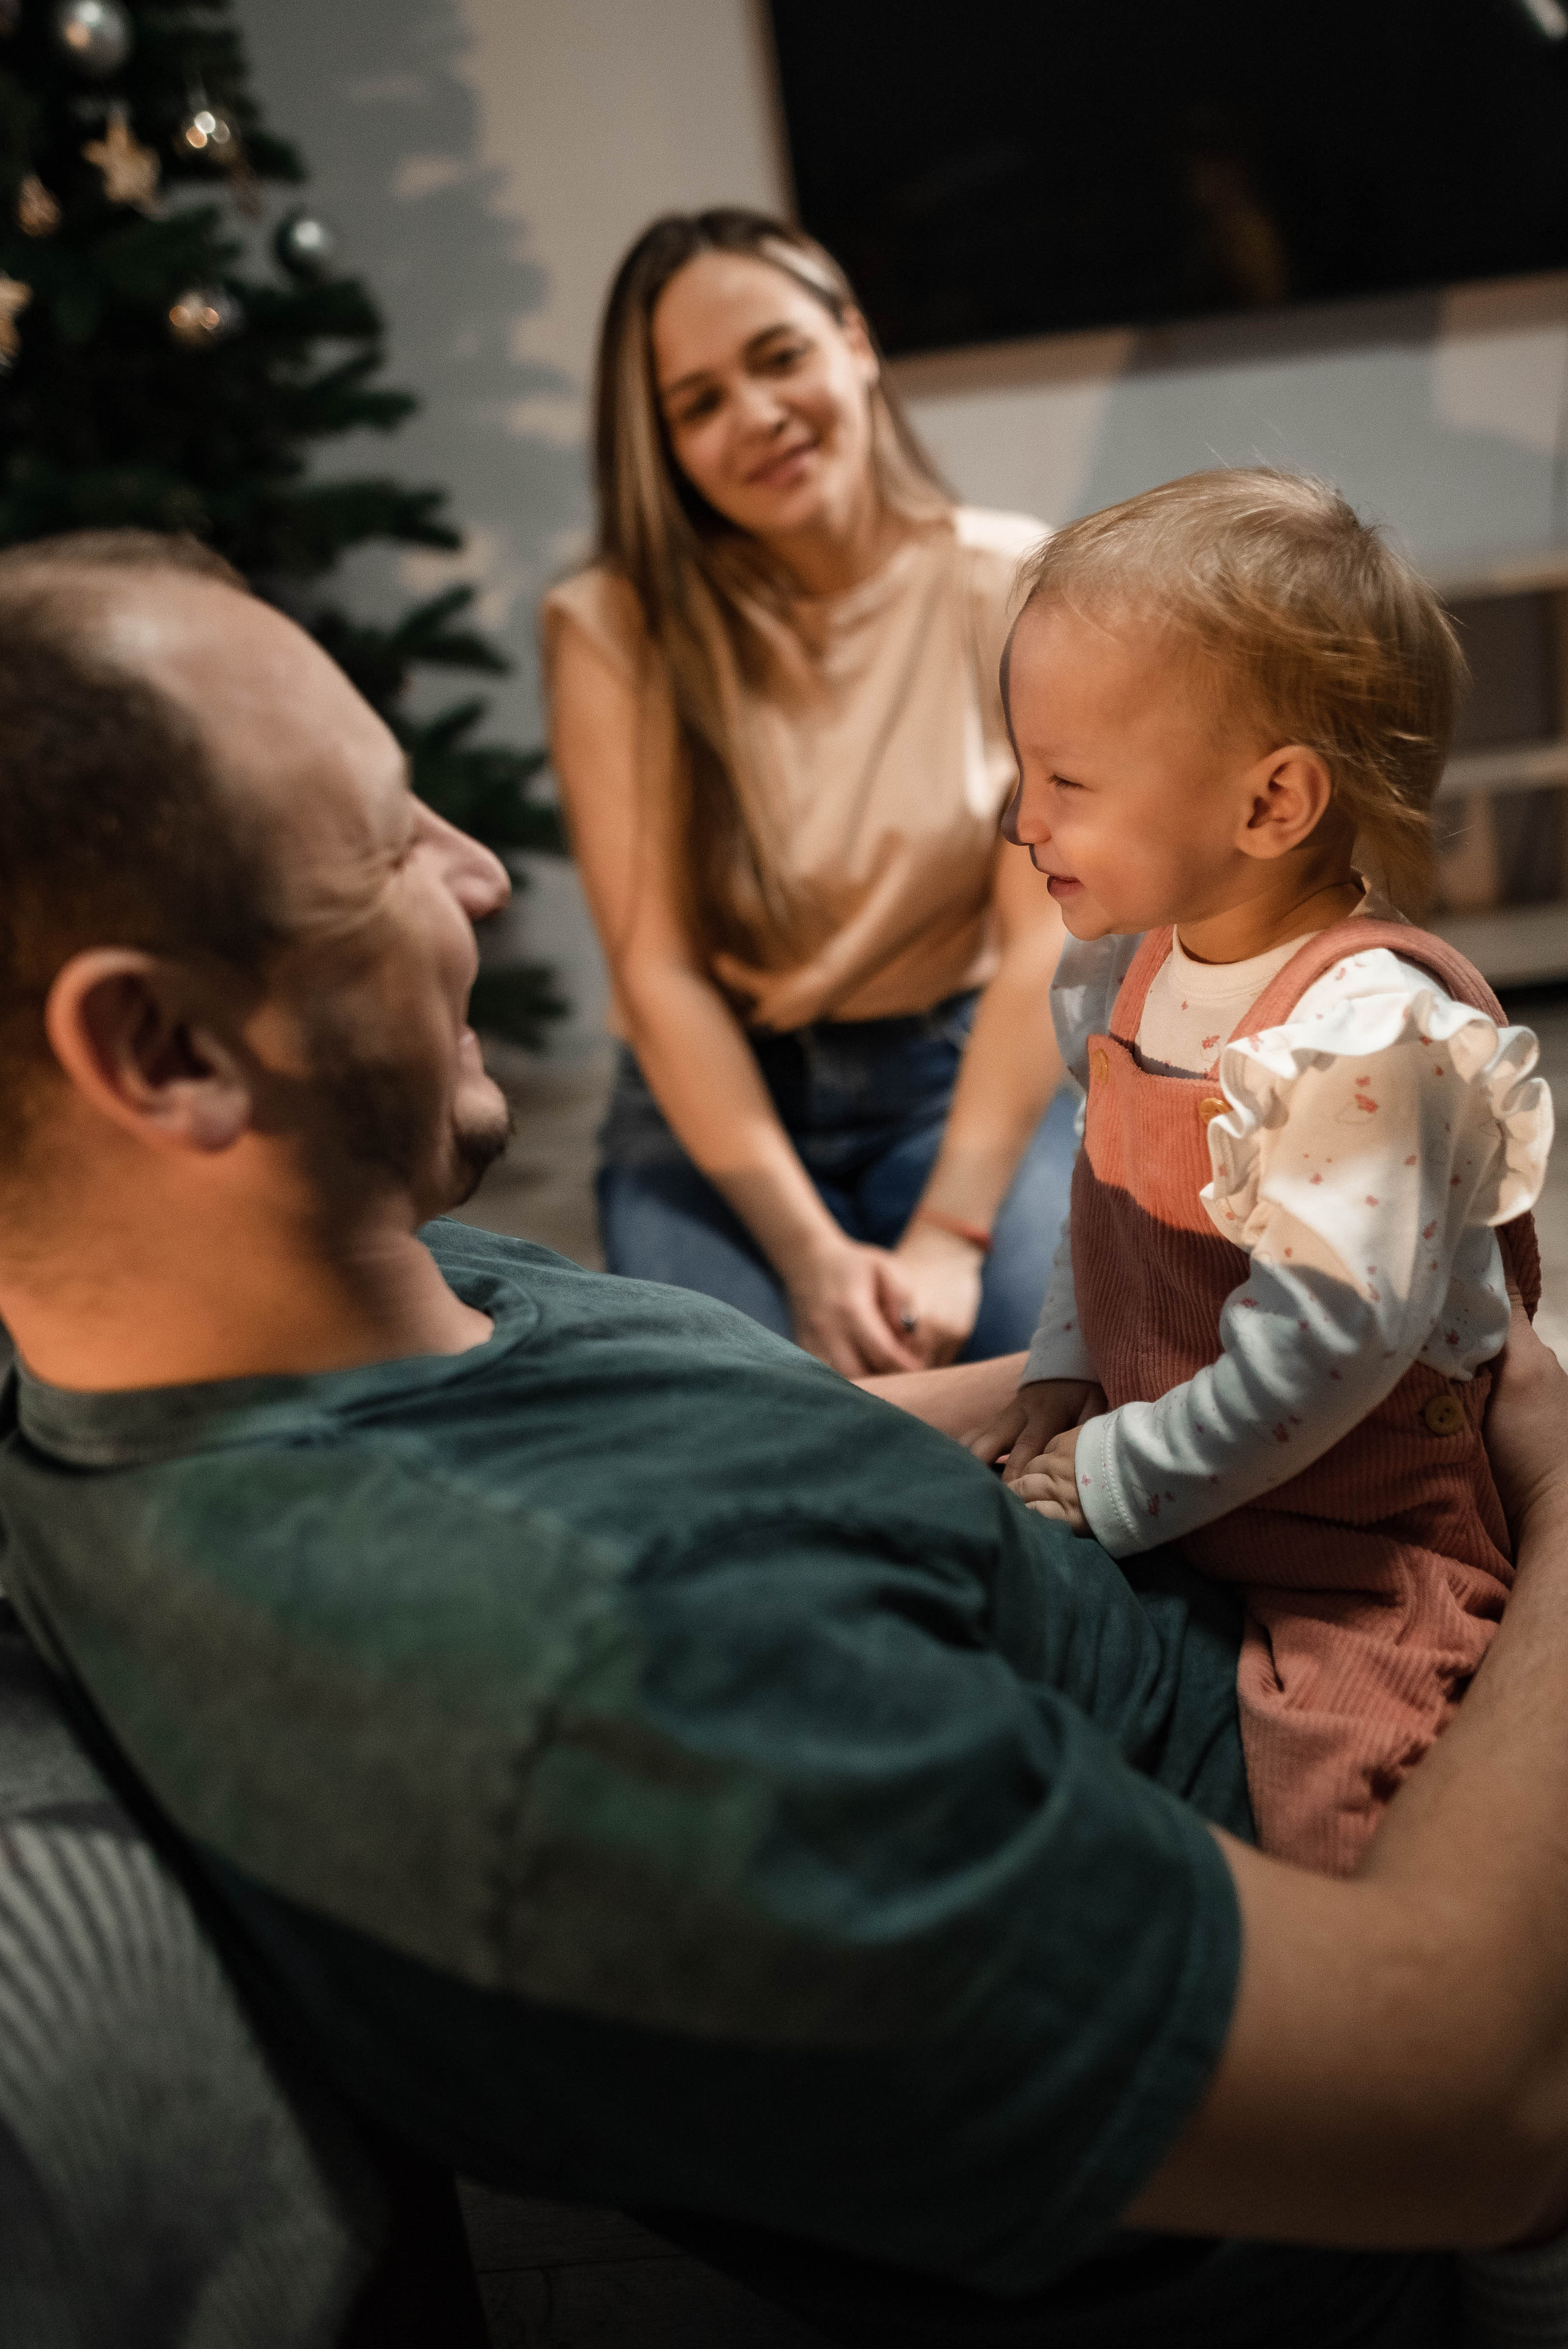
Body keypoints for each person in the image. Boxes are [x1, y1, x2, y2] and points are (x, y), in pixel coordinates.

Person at [6, 534, 1568, 2349]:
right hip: (1402, 1979)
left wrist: (1227, 1376)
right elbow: (1475, 2101)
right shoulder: (596, 1682)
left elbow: (779, 1444)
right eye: (386, 841)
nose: (487, 873)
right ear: (165, 1048)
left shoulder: (334, 1304)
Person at [967, 471, 1552, 1877]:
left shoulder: (1359, 1046)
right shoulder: (1128, 962)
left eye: (1064, 780)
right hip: (1187, 1467)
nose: (1015, 818)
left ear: (1272, 798)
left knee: (1346, 1816)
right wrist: (1060, 1364)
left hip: (1354, 1533)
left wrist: (1116, 1471)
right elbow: (1101, 1204)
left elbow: (1324, 1358)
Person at [543, 208, 1074, 1377]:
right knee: (753, 1417)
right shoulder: (610, 628)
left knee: (1055, 1389)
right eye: (698, 403)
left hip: (964, 1074)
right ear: (664, 445)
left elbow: (1045, 937)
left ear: (855, 342)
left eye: (779, 358)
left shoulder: (1011, 580)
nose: (759, 418)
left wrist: (950, 1231)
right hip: (717, 1114)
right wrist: (809, 1256)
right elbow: (657, 970)